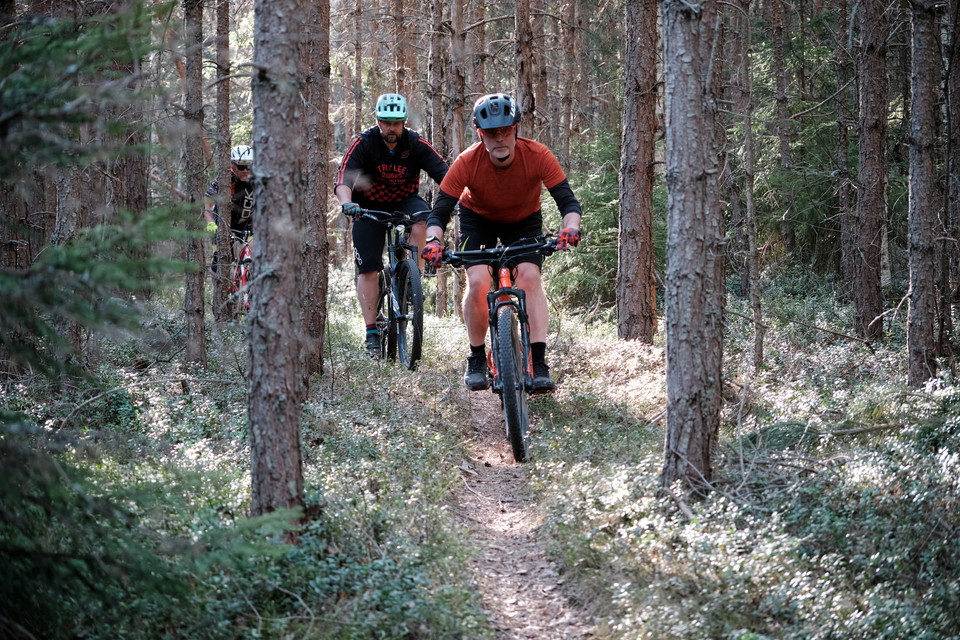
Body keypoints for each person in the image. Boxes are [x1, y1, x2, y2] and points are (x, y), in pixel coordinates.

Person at [421, 93, 582, 392]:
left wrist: (570, 228)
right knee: (480, 280)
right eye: (491, 133)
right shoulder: (467, 161)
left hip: (524, 219)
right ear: (480, 134)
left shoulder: (538, 155)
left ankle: (540, 361)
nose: (499, 139)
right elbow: (439, 213)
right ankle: (477, 357)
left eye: (505, 131)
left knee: (530, 277)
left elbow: (568, 204)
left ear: (516, 130)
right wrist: (433, 241)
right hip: (477, 219)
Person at [335, 93, 449, 357]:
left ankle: (413, 281)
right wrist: (347, 202)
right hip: (368, 206)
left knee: (423, 219)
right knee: (368, 269)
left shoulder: (416, 142)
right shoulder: (364, 142)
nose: (391, 128)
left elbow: (445, 174)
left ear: (404, 123)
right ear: (378, 121)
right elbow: (343, 177)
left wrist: (457, 198)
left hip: (405, 201)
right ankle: (371, 332)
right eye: (386, 122)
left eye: (396, 123)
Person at [203, 144, 255, 272]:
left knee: (256, 256)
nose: (245, 170)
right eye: (241, 167)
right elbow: (207, 205)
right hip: (225, 226)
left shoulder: (259, 179)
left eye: (249, 166)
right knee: (219, 264)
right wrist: (210, 223)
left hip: (249, 225)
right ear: (232, 166)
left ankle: (250, 286)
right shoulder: (224, 180)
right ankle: (220, 290)